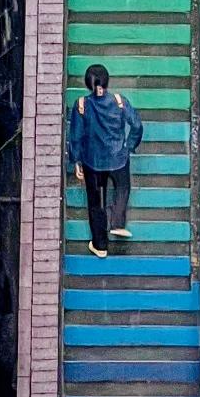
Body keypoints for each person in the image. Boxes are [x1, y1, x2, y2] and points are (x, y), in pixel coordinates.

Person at [67, 63, 144, 259]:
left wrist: (76, 160)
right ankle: (117, 222)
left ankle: (100, 245)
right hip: (118, 158)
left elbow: (76, 136)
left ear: (88, 84)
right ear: (106, 82)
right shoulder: (119, 102)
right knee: (122, 188)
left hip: (92, 162)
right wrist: (129, 146)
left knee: (96, 203)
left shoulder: (81, 105)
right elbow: (136, 125)